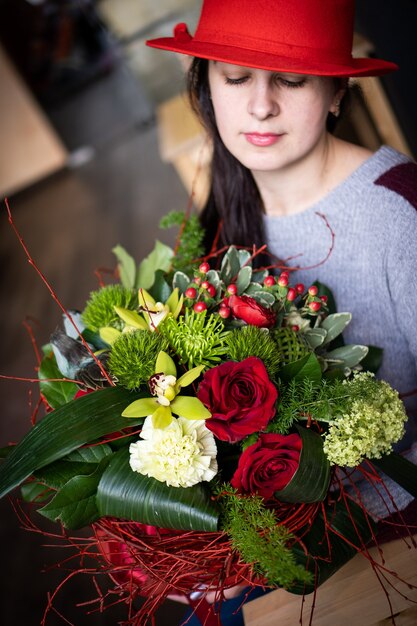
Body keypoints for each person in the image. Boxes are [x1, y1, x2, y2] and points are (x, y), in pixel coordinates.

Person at [146, 0, 417, 623]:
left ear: (337, 91)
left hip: (386, 532)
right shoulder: (223, 208)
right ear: (206, 88)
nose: (260, 106)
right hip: (285, 527)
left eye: (291, 79)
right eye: (236, 78)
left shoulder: (397, 215)